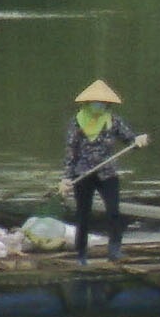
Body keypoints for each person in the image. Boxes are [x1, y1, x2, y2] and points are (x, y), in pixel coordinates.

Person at [64, 78, 138, 263]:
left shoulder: (113, 121)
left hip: (107, 173)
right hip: (83, 174)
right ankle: (81, 254)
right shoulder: (77, 122)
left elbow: (130, 140)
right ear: (88, 103)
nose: (99, 105)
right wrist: (66, 178)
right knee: (83, 215)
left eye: (103, 103)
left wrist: (139, 141)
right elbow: (71, 152)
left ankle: (114, 250)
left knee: (113, 211)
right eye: (96, 102)